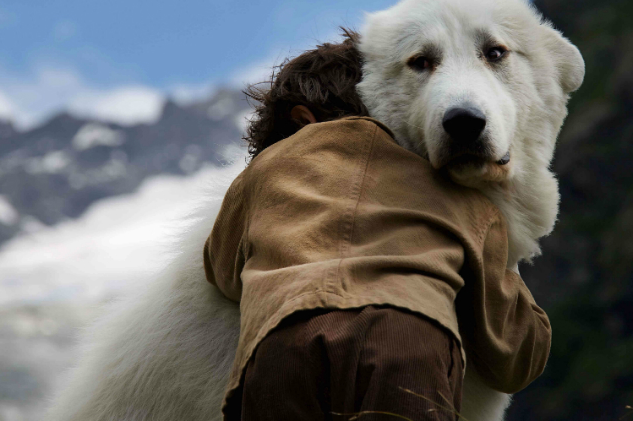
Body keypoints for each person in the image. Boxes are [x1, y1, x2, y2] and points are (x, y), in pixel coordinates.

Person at [203, 30, 551, 421]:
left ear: (301, 120)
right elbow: (513, 356)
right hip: (407, 338)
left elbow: (222, 269)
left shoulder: (268, 169)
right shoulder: (454, 191)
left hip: (284, 340)